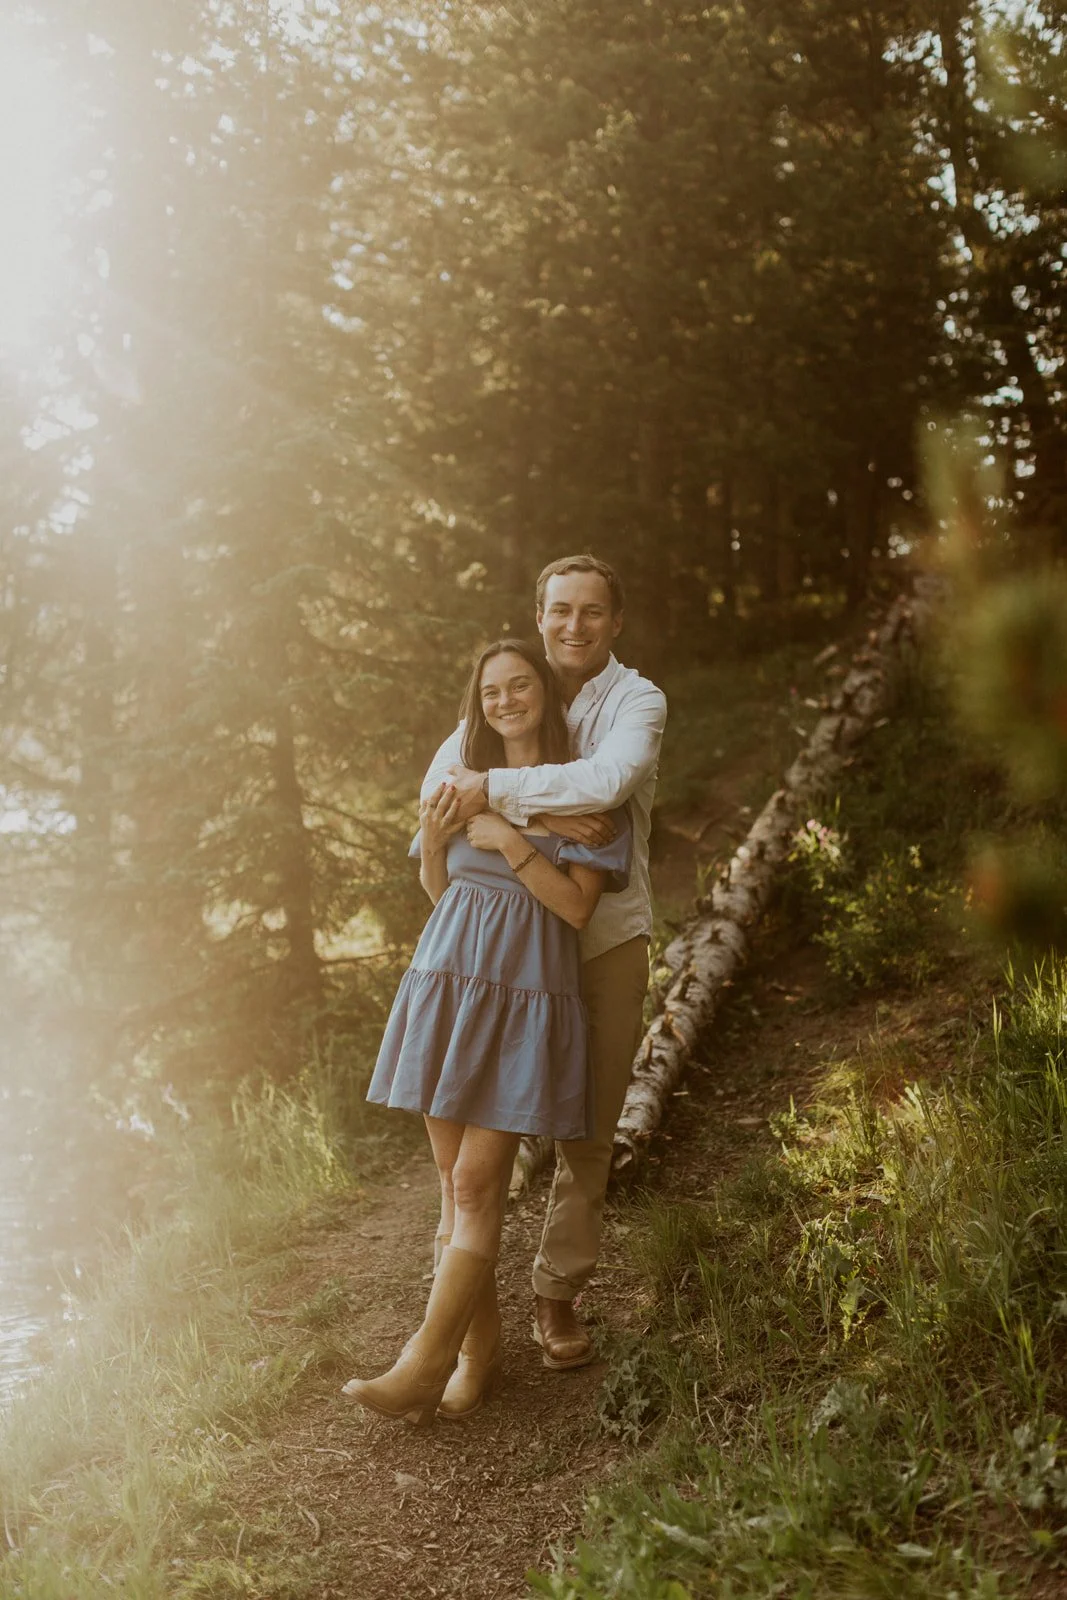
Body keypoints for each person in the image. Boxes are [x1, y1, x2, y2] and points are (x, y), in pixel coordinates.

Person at [342, 638, 631, 1425]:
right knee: (452, 1188)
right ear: (478, 702)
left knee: (475, 1184)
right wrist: (438, 841)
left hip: (528, 993)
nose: (505, 699)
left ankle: (421, 1362)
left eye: (519, 684)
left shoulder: (591, 794)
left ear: (545, 691)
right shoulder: (456, 780)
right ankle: (477, 1355)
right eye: (491, 690)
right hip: (447, 981)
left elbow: (575, 909)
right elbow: (437, 888)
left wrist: (506, 836)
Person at [421, 555, 666, 1370]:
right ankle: (468, 1339)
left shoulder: (635, 700)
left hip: (601, 941)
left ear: (614, 622)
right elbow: (435, 809)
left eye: (592, 611)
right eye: (560, 610)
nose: (574, 625)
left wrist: (490, 794)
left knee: (588, 1130)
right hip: (504, 953)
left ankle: (556, 1293)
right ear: (538, 614)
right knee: (468, 1157)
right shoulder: (507, 691)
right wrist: (545, 812)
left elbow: (610, 779)